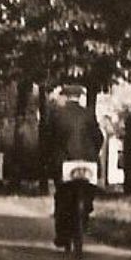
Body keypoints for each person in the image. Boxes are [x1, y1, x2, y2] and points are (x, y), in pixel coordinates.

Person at [39, 85, 104, 249]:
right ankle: (86, 212)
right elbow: (99, 137)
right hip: (88, 163)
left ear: (66, 97)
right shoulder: (89, 114)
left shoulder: (57, 114)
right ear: (79, 97)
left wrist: (48, 158)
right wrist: (92, 153)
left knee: (62, 195)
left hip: (65, 162)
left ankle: (62, 234)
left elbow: (48, 139)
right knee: (88, 191)